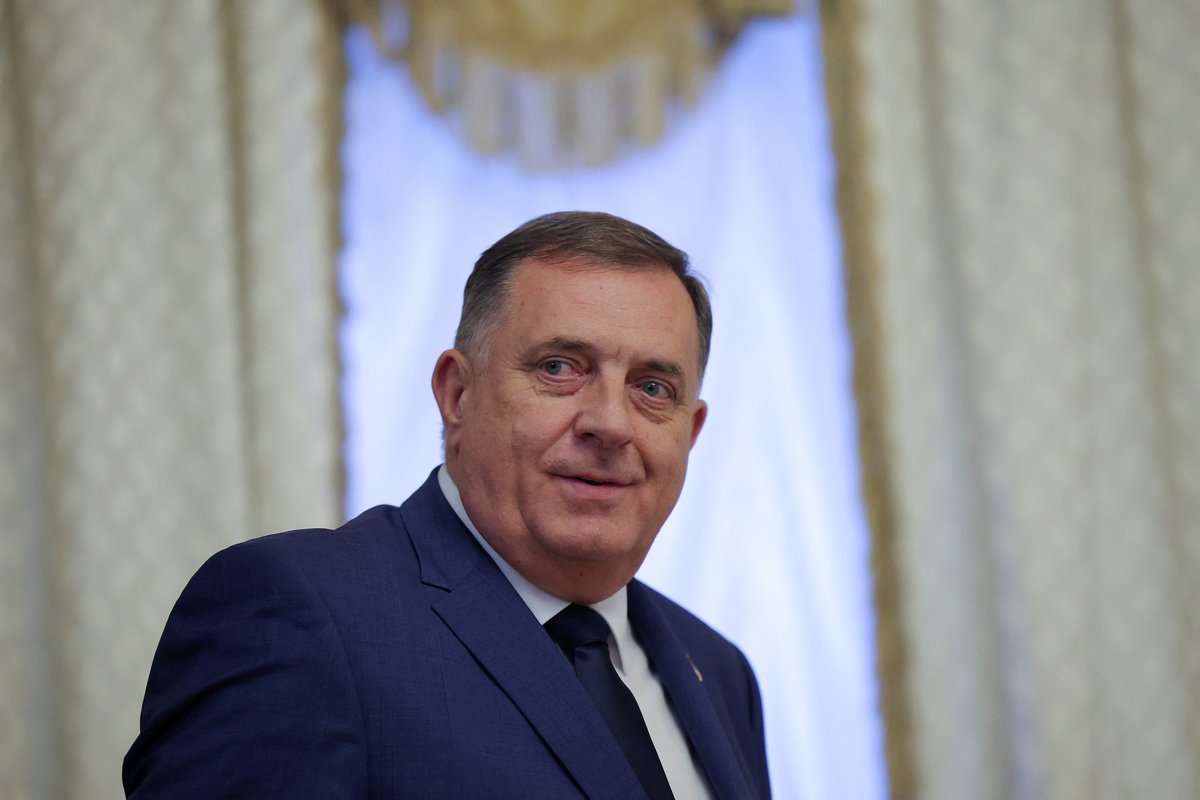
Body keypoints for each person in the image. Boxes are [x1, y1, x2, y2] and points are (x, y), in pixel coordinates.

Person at [123, 211, 771, 799]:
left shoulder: (720, 673)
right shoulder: (299, 611)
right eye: (559, 368)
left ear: (690, 432)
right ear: (458, 394)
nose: (610, 423)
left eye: (652, 388)